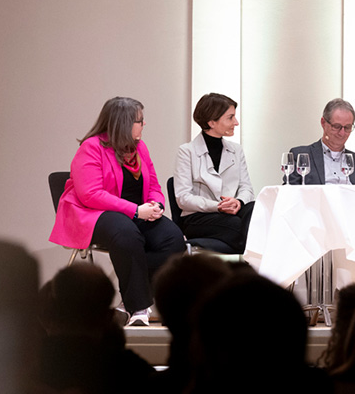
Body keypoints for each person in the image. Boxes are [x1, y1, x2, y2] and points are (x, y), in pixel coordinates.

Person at [50, 97, 185, 325]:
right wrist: (135, 211)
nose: (144, 125)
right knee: (126, 233)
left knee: (173, 240)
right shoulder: (91, 148)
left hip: (136, 213)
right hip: (94, 213)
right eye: (140, 121)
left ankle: (128, 302)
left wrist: (156, 205)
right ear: (123, 123)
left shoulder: (139, 147)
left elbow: (154, 186)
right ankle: (139, 308)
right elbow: (90, 194)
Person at [173, 93, 256, 253]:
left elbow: (246, 188)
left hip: (233, 213)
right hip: (199, 217)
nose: (236, 122)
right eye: (230, 118)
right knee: (244, 228)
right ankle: (251, 263)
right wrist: (218, 206)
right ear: (211, 122)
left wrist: (238, 201)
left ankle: (246, 261)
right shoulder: (187, 151)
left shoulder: (236, 150)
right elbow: (183, 198)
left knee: (254, 209)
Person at [287, 98, 355, 185]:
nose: (342, 133)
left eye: (347, 127)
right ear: (323, 123)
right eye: (336, 126)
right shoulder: (301, 156)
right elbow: (289, 193)